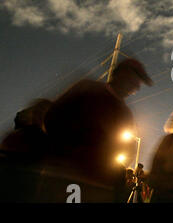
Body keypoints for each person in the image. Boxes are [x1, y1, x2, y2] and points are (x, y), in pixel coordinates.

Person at [0, 58, 152, 202]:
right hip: (64, 174)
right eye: (135, 80)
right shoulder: (88, 89)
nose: (137, 87)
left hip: (96, 183)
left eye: (139, 83)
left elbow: (124, 148)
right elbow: (53, 118)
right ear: (121, 74)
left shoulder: (125, 113)